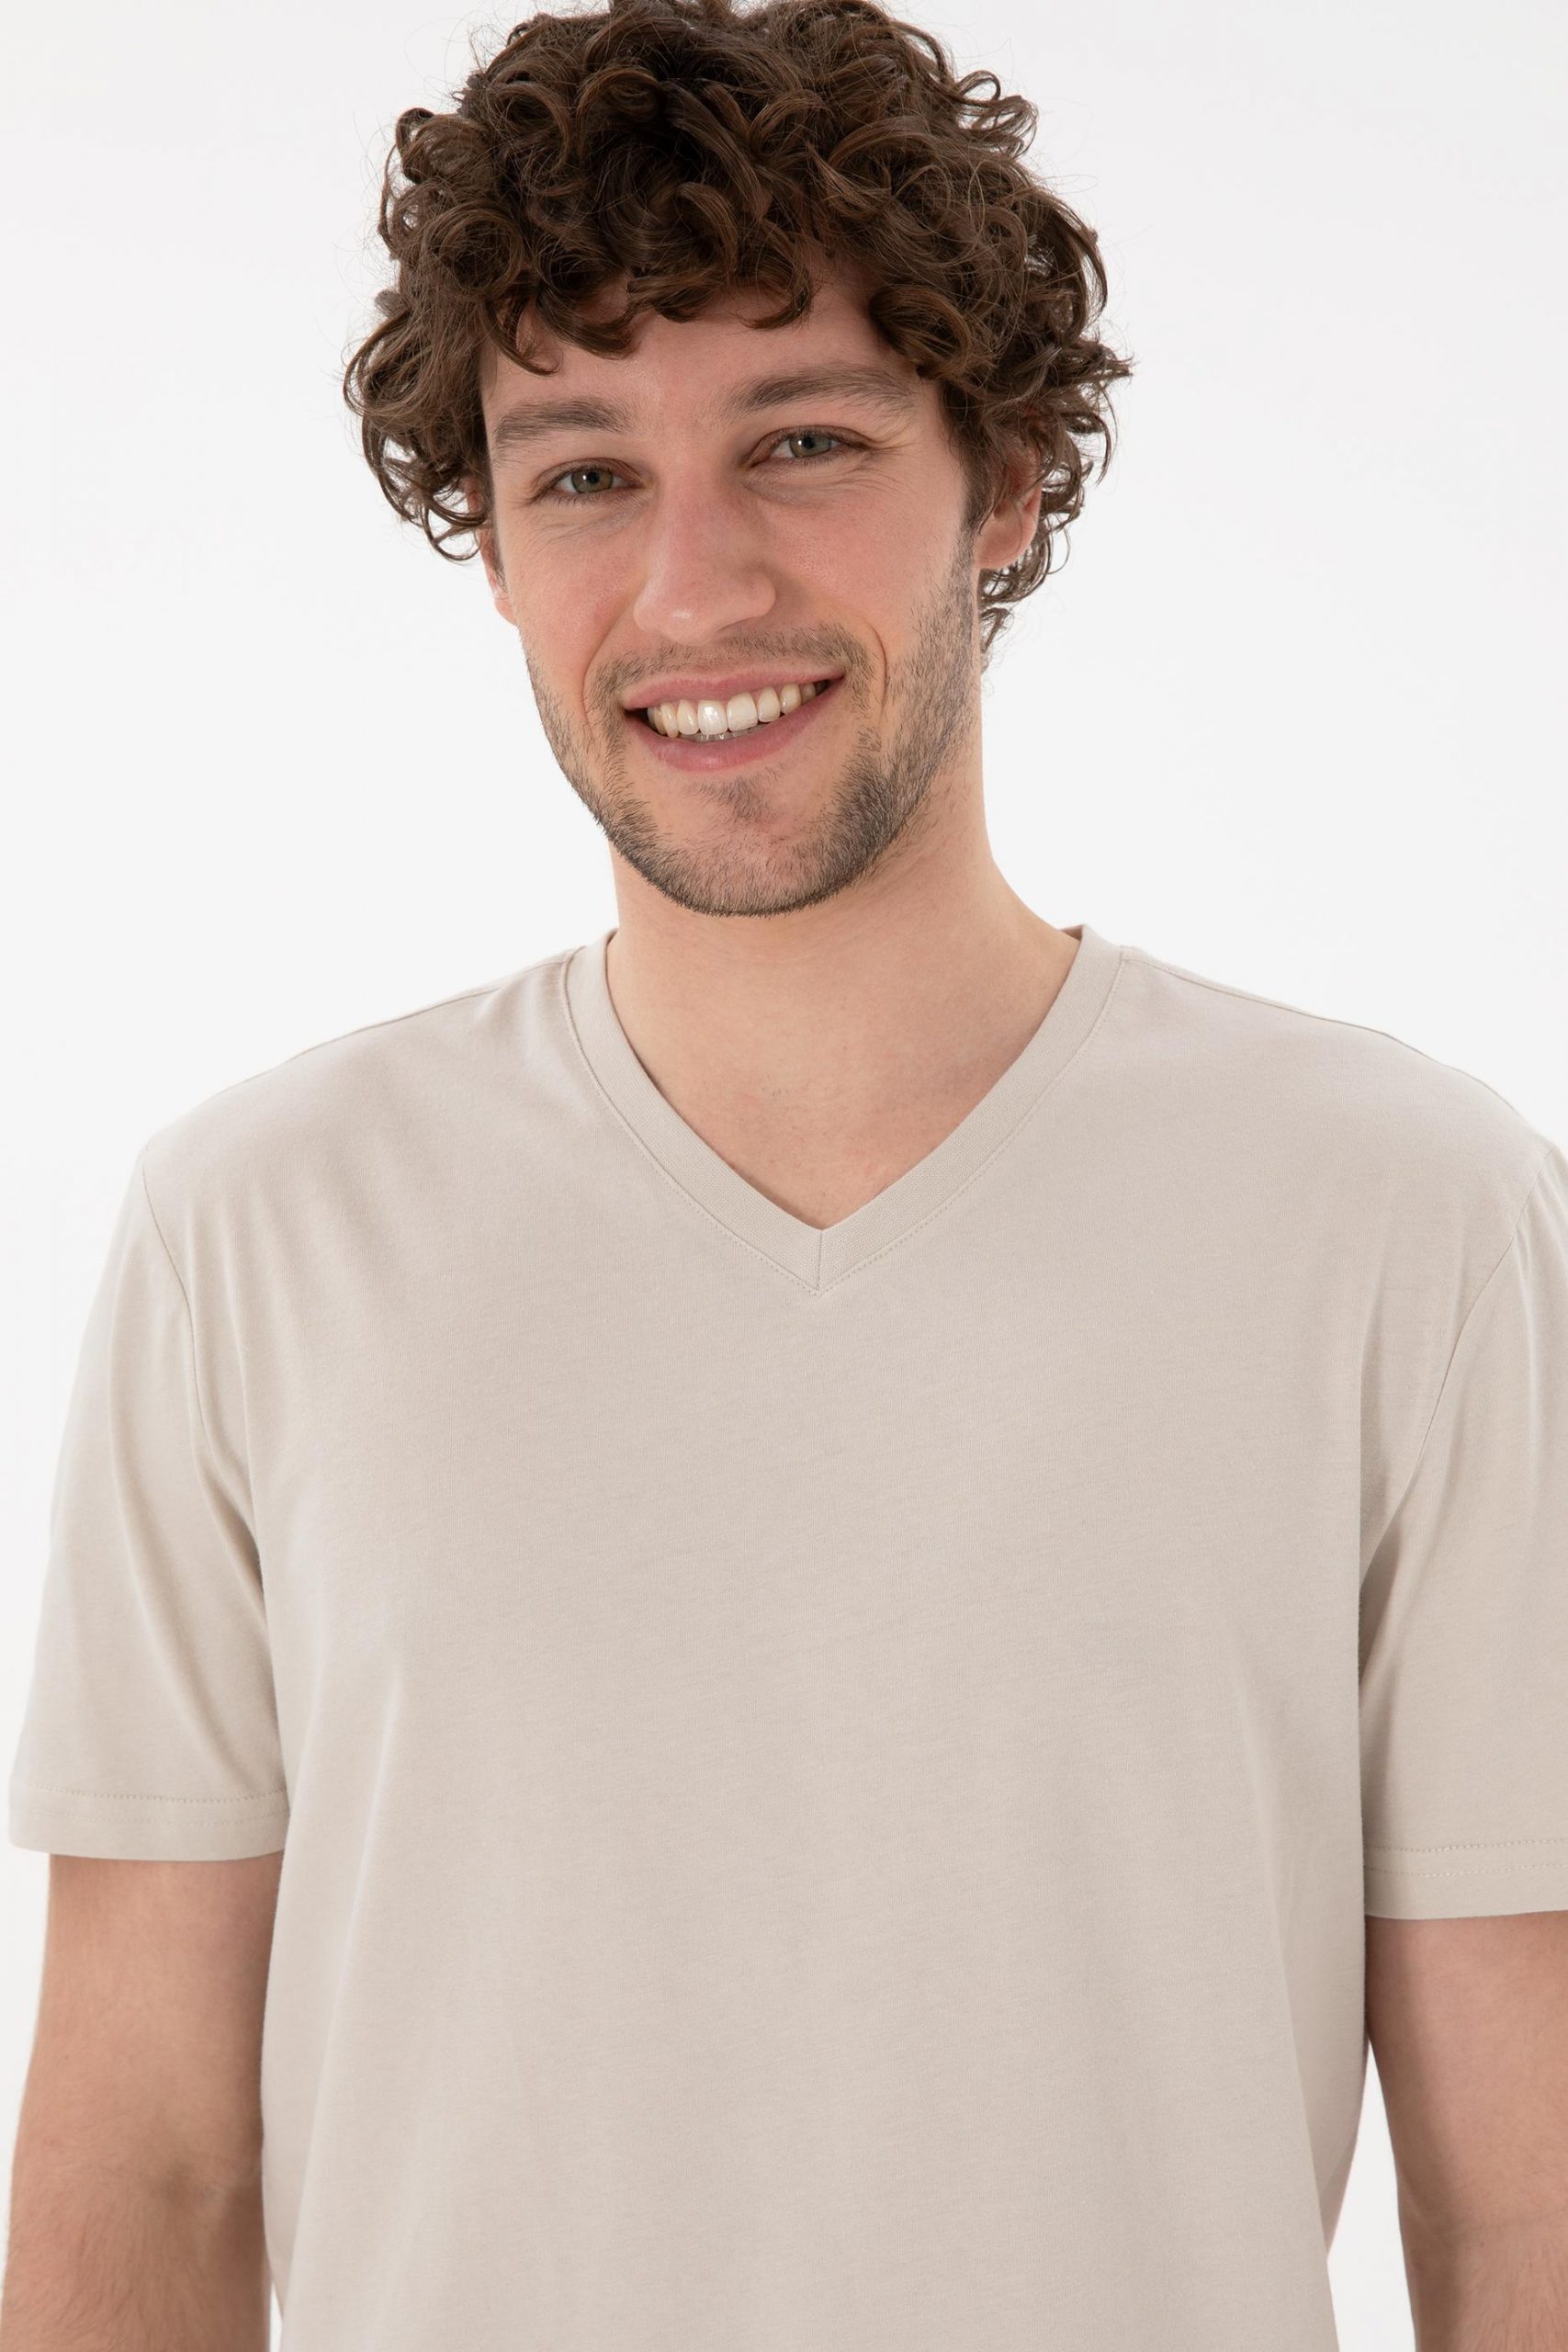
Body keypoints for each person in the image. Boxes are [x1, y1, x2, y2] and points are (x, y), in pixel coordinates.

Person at [5, 0, 1566, 2343]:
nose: (693, 589)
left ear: (1005, 477)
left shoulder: (1403, 1219)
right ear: (493, 541)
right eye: (581, 474)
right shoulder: (258, 1231)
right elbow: (147, 2160)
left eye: (800, 440)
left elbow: (1520, 2199)